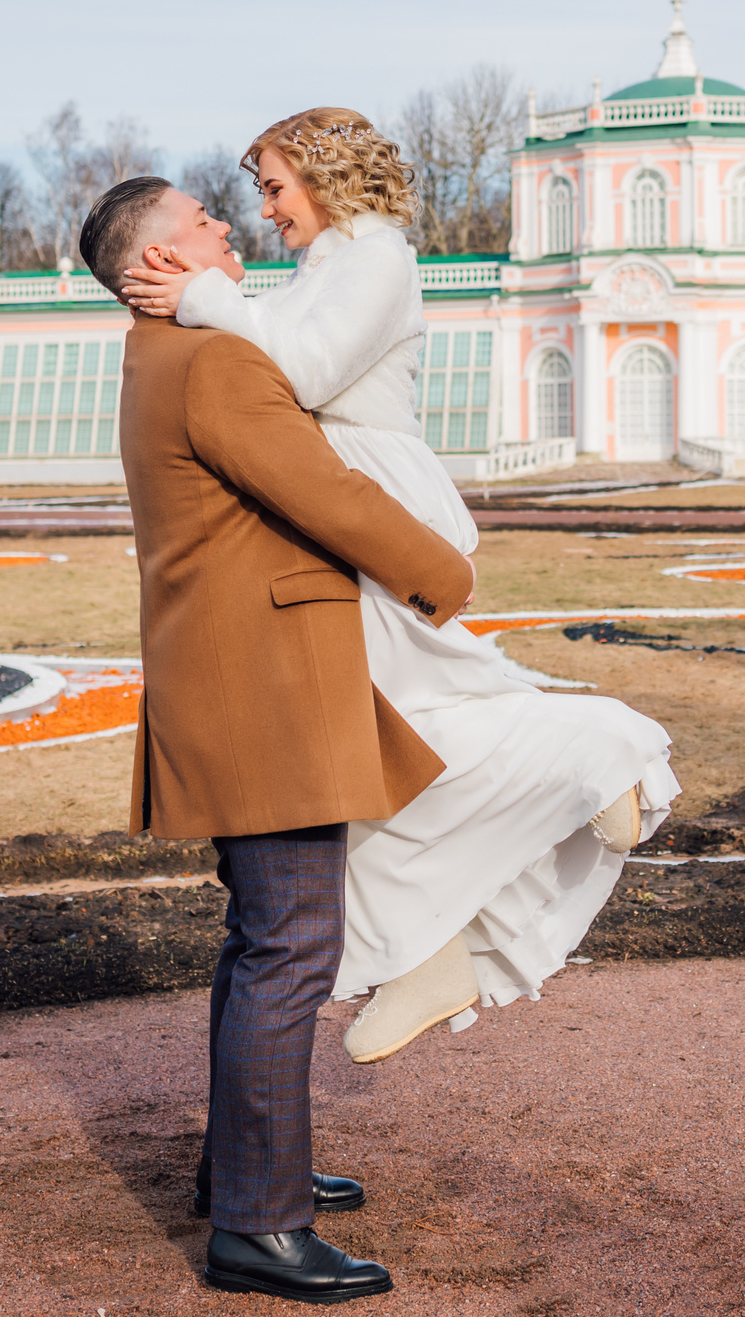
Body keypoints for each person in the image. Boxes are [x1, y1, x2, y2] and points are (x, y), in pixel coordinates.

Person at [117, 107, 678, 1065]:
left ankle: (599, 758)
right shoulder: (320, 266)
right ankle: (442, 942)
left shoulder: (378, 255)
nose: (262, 211)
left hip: (379, 498)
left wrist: (203, 292)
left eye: (274, 187)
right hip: (345, 509)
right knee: (389, 747)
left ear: (327, 178)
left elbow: (301, 367)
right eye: (253, 193)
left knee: (420, 718)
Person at [80, 174, 474, 1303]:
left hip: (237, 685)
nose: (226, 226)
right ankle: (258, 1224)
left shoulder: (167, 355)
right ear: (160, 258)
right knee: (290, 947)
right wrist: (444, 574)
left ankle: (240, 1172)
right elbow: (320, 492)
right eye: (202, 219)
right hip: (266, 695)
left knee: (264, 939)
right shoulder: (213, 360)